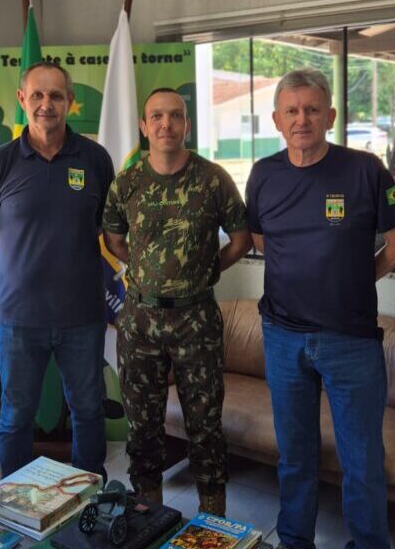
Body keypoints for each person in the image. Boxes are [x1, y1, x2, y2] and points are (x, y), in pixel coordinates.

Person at [245, 69, 395, 549]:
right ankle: (295, 541)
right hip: (282, 338)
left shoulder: (365, 170)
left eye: (312, 109)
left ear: (331, 116)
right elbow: (260, 239)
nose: (302, 119)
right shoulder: (263, 174)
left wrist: (354, 280)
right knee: (294, 456)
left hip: (350, 340)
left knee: (361, 461)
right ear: (277, 120)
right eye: (292, 111)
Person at [103, 87, 251, 516]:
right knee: (143, 429)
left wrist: (203, 271)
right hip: (140, 321)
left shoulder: (213, 178)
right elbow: (114, 239)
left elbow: (240, 240)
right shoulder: (127, 182)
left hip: (196, 320)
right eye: (157, 116)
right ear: (143, 126)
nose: (166, 124)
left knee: (205, 427)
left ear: (187, 123)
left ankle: (212, 523)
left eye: (175, 116)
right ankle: (149, 519)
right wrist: (149, 272)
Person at [0, 61, 114, 479]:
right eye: (37, 95)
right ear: (22, 99)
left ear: (70, 101)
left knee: (88, 410)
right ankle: (13, 503)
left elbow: (107, 225)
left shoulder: (95, 159)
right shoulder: (0, 163)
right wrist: (20, 256)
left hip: (82, 316)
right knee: (16, 415)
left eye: (55, 95)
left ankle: (89, 497)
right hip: (19, 318)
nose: (46, 104)